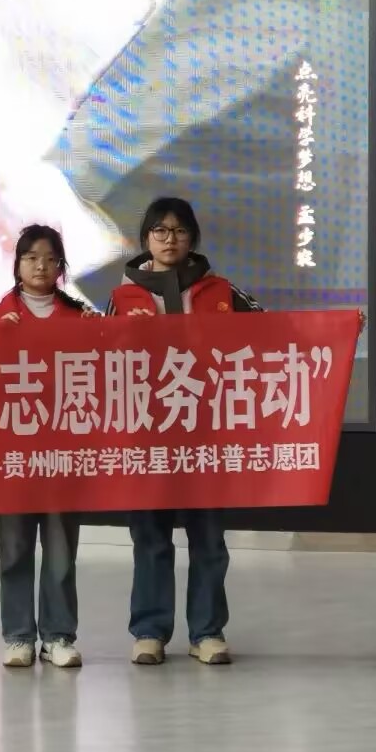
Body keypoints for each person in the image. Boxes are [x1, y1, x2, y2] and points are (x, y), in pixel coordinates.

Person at [105, 197, 262, 667]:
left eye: (178, 230)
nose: (169, 239)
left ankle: (207, 631)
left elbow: (276, 333)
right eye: (160, 230)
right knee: (150, 538)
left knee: (208, 539)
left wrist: (336, 328)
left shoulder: (222, 291)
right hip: (146, 435)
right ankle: (149, 631)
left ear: (192, 238)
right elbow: (96, 359)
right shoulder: (122, 297)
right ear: (146, 238)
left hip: (206, 435)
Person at [0, 225, 98, 669]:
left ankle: (58, 635)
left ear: (61, 267)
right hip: (12, 453)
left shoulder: (80, 318)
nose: (41, 266)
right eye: (31, 257)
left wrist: (100, 335)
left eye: (50, 259)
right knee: (13, 547)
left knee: (61, 549)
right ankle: (17, 636)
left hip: (62, 452)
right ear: (17, 264)